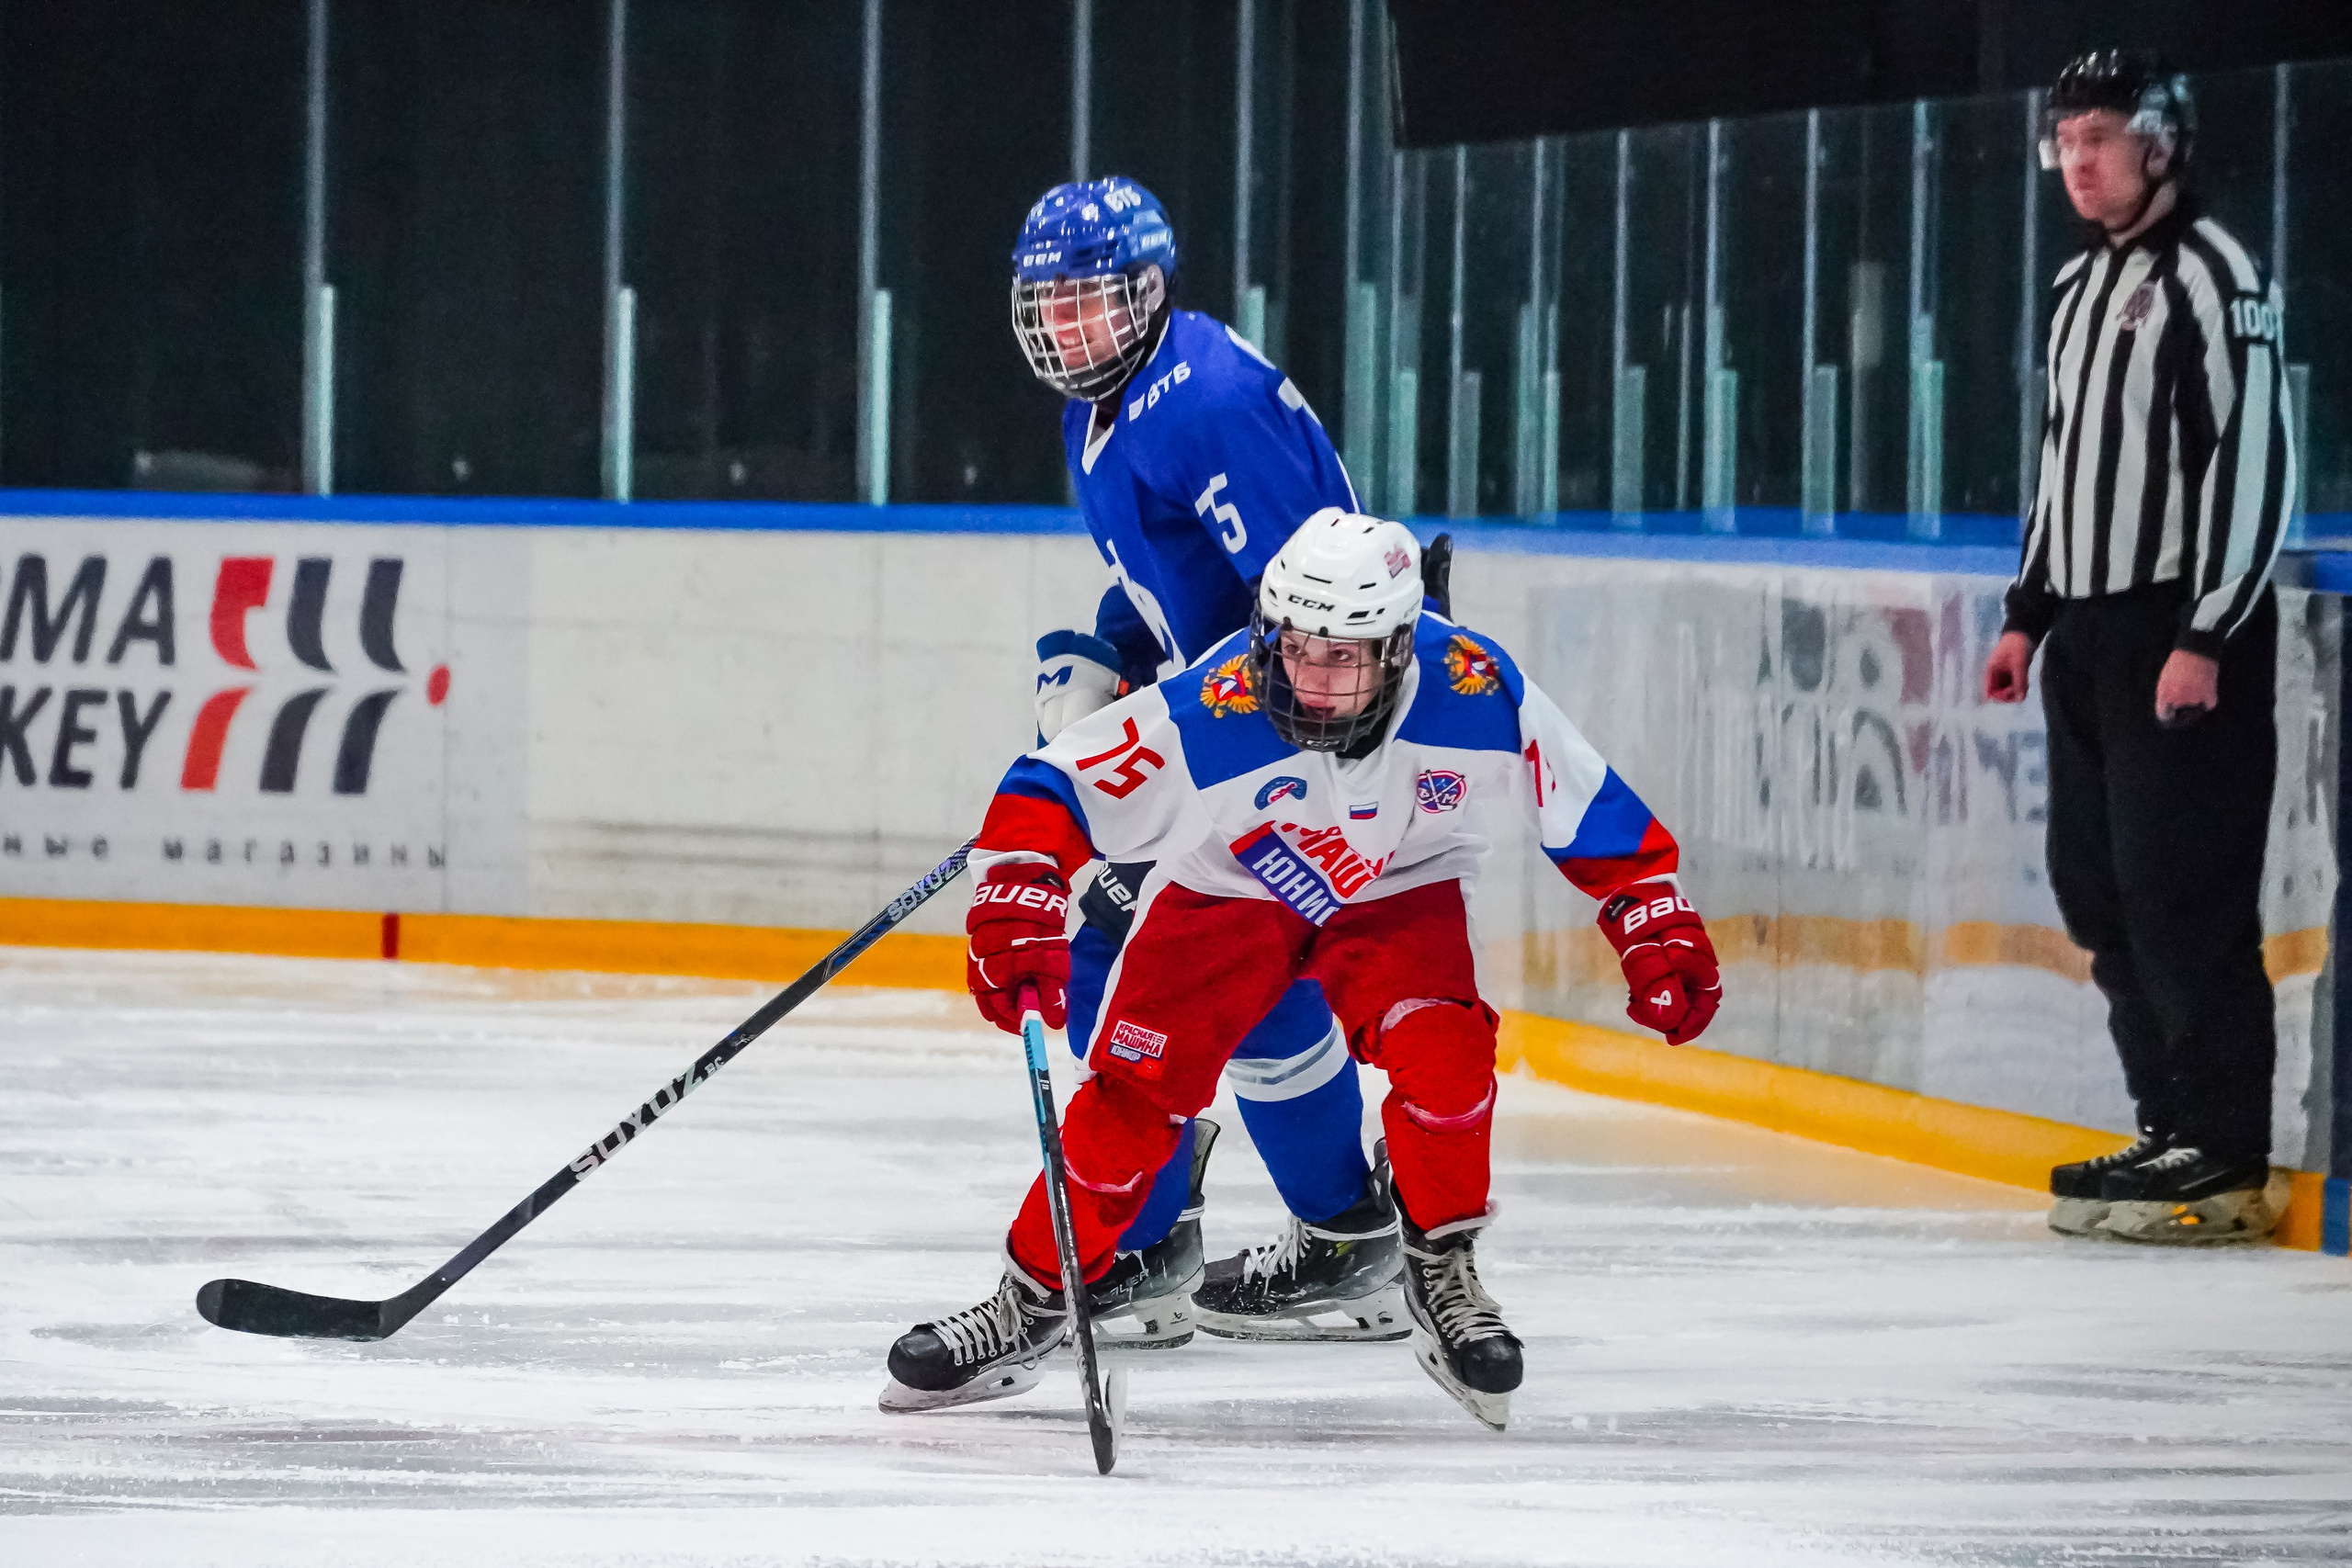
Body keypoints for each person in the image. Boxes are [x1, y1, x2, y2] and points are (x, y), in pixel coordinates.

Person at [883, 510, 1721, 1430]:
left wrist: (1649, 910)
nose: (1310, 678)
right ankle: (1028, 1299)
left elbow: (1584, 797)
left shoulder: (1474, 686)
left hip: (1399, 889)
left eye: (1343, 657)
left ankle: (1441, 1268)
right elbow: (1053, 784)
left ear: (1400, 649)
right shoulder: (1220, 705)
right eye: (1295, 647)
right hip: (1230, 894)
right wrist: (1021, 889)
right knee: (1128, 1105)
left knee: (1446, 1057)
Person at [1007, 176, 1428, 1347]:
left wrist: (1219, 787)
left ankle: (1151, 1242)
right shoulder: (1117, 403)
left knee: (1123, 940)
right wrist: (1108, 654)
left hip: (1309, 738)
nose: (1067, 328)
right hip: (1250, 733)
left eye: (1092, 302)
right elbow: (1181, 579)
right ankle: (1335, 1234)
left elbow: (1311, 620)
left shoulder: (1207, 405)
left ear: (1149, 293)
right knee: (1237, 979)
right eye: (1050, 304)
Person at [1984, 50, 2295, 1245]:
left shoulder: (2217, 277)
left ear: (2162, 143)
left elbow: (2253, 462)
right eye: (2064, 139)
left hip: (2183, 631)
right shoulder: (2075, 292)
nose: (2079, 160)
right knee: (2098, 884)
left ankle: (2223, 1149)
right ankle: (2167, 1120)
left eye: (2102, 136)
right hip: (2092, 633)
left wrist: (2207, 631)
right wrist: (2028, 611)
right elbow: (2063, 469)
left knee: (2185, 892)